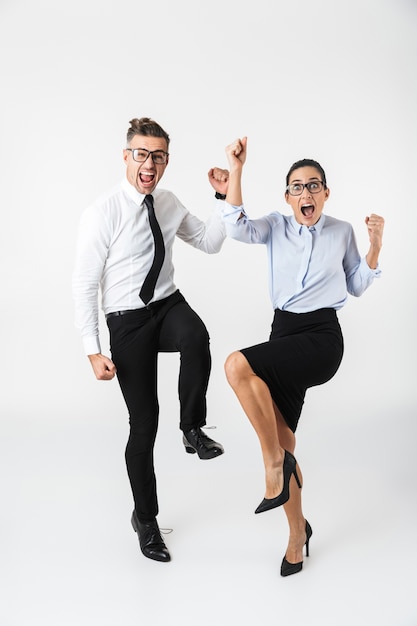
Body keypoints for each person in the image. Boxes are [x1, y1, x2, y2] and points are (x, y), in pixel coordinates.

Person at [217, 136, 384, 576]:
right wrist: (236, 170)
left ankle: (272, 463)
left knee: (236, 364)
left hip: (322, 338)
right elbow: (235, 226)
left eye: (313, 186)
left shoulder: (341, 231)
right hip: (282, 333)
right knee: (286, 441)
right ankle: (297, 534)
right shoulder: (274, 225)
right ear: (287, 197)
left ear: (325, 193)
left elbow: (357, 284)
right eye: (296, 187)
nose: (305, 193)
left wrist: (375, 245)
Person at [72, 117, 230, 563]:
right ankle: (146, 520)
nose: (149, 164)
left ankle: (192, 429)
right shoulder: (102, 211)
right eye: (142, 154)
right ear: (126, 156)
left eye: (158, 156)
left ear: (165, 161)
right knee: (144, 423)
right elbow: (84, 283)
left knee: (196, 337)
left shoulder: (168, 202)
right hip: (126, 319)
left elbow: (210, 241)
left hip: (166, 304)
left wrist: (224, 193)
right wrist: (92, 348)